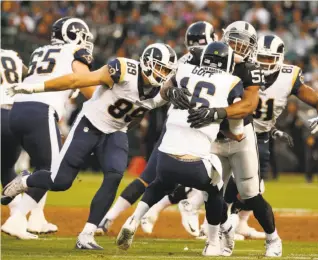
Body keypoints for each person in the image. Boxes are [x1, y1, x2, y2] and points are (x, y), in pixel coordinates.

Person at [4, 42, 191, 249]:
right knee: (60, 181)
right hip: (90, 124)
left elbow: (157, 98)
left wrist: (173, 93)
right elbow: (77, 79)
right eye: (160, 67)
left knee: (114, 175)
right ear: (146, 62)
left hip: (116, 131)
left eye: (166, 70)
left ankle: (87, 234)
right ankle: (26, 180)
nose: (162, 74)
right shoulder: (122, 69)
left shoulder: (161, 93)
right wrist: (35, 87)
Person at [116, 41, 245, 256]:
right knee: (214, 189)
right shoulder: (232, 82)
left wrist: (171, 91)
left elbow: (165, 89)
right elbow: (238, 129)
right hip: (196, 163)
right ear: (229, 63)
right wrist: (218, 118)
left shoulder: (185, 68)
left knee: (160, 183)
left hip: (165, 157)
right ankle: (212, 242)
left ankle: (134, 219)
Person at [95, 21, 218, 236]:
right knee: (210, 177)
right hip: (197, 129)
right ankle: (208, 223)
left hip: (174, 126)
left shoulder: (182, 62)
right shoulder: (217, 64)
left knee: (151, 178)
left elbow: (162, 89)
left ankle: (110, 218)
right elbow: (164, 90)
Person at [187, 22, 283, 257]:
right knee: (212, 191)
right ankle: (219, 236)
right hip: (212, 136)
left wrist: (218, 112)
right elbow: (180, 78)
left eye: (243, 42)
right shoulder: (203, 58)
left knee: (250, 192)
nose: (237, 46)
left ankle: (273, 240)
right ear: (224, 39)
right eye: (234, 40)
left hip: (241, 137)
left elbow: (249, 104)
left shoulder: (249, 68)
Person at [224, 34, 318, 241]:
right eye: (261, 58)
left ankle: (237, 224)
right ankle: (220, 224)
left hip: (260, 137)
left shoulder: (288, 76)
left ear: (280, 58)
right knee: (223, 182)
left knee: (254, 187)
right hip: (234, 131)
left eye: (269, 59)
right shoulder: (242, 69)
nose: (264, 64)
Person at [1, 16, 96, 239]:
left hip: (17, 110)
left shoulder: (39, 51)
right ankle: (17, 214)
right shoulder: (75, 51)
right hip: (40, 110)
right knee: (54, 171)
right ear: (74, 35)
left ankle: (36, 218)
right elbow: (87, 89)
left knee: (44, 166)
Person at [0, 49, 30, 238]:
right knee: (6, 168)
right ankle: (17, 220)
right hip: (17, 115)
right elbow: (28, 73)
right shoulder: (13, 56)